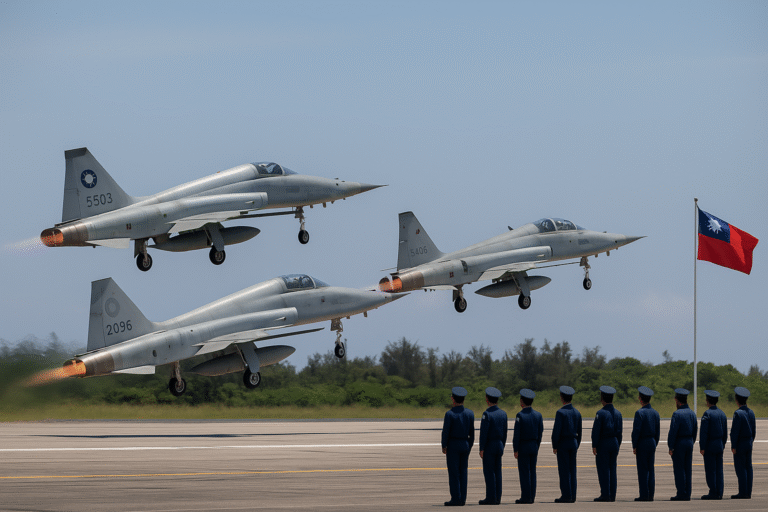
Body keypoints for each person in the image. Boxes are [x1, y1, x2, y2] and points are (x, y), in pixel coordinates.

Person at [441, 386, 475, 506]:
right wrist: (469, 446)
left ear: (453, 399)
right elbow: (472, 433)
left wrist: (444, 445)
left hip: (453, 445)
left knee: (454, 473)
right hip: (465, 444)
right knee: (463, 472)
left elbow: (446, 431)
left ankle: (456, 498)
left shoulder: (449, 414)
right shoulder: (470, 413)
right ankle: (463, 499)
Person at [551, 385, 581, 503]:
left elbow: (556, 431)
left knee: (564, 471)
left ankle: (566, 495)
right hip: (573, 443)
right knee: (572, 470)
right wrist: (576, 444)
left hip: (563, 443)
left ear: (562, 398)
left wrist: (555, 445)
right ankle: (572, 495)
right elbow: (580, 431)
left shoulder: (560, 412)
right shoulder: (577, 412)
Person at [512, 388, 543, 504]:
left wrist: (516, 449)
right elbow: (540, 433)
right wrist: (536, 445)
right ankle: (532, 496)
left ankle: (526, 497)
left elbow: (517, 434)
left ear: (521, 401)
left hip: (524, 446)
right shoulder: (538, 415)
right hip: (534, 445)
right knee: (532, 472)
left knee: (524, 473)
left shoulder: (520, 415)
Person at [592, 385, 622, 502]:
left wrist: (594, 445)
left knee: (604, 470)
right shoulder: (618, 413)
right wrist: (617, 444)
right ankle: (612, 494)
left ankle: (605, 494)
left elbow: (596, 431)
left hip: (603, 443)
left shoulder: (601, 413)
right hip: (614, 442)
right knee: (612, 469)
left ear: (602, 398)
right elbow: (620, 432)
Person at [479, 387, 508, 505]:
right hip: (500, 444)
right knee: (498, 472)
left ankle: (491, 497)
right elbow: (505, 432)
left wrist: (482, 448)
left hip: (490, 445)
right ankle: (497, 497)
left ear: (487, 399)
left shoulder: (487, 414)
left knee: (489, 472)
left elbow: (484, 433)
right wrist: (502, 445)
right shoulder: (503, 413)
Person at [668, 388, 698, 501]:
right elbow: (695, 430)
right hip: (689, 442)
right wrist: (692, 441)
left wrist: (671, 446)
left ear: (677, 400)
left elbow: (673, 432)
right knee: (688, 468)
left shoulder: (677, 414)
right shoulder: (692, 413)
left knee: (679, 469)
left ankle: (681, 493)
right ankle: (687, 493)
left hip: (679, 443)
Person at [631, 386, 660, 502]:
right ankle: (651, 495)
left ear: (640, 399)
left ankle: (644, 495)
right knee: (651, 469)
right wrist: (655, 443)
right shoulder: (655, 413)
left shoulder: (639, 413)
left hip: (642, 442)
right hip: (652, 442)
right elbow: (658, 432)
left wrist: (635, 445)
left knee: (643, 470)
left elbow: (636, 431)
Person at [699, 390, 727, 500]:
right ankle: (719, 492)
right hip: (719, 444)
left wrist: (702, 447)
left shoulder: (707, 414)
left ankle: (713, 491)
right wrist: (722, 444)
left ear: (707, 401)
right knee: (719, 469)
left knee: (711, 469)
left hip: (710, 445)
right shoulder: (722, 413)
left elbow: (704, 433)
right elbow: (725, 432)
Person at [730, 386, 756, 499]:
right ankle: (748, 492)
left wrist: (734, 445)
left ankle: (742, 492)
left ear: (737, 400)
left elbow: (735, 432)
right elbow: (754, 430)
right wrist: (750, 441)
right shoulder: (751, 412)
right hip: (749, 442)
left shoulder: (738, 413)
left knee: (740, 468)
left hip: (740, 444)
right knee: (748, 467)